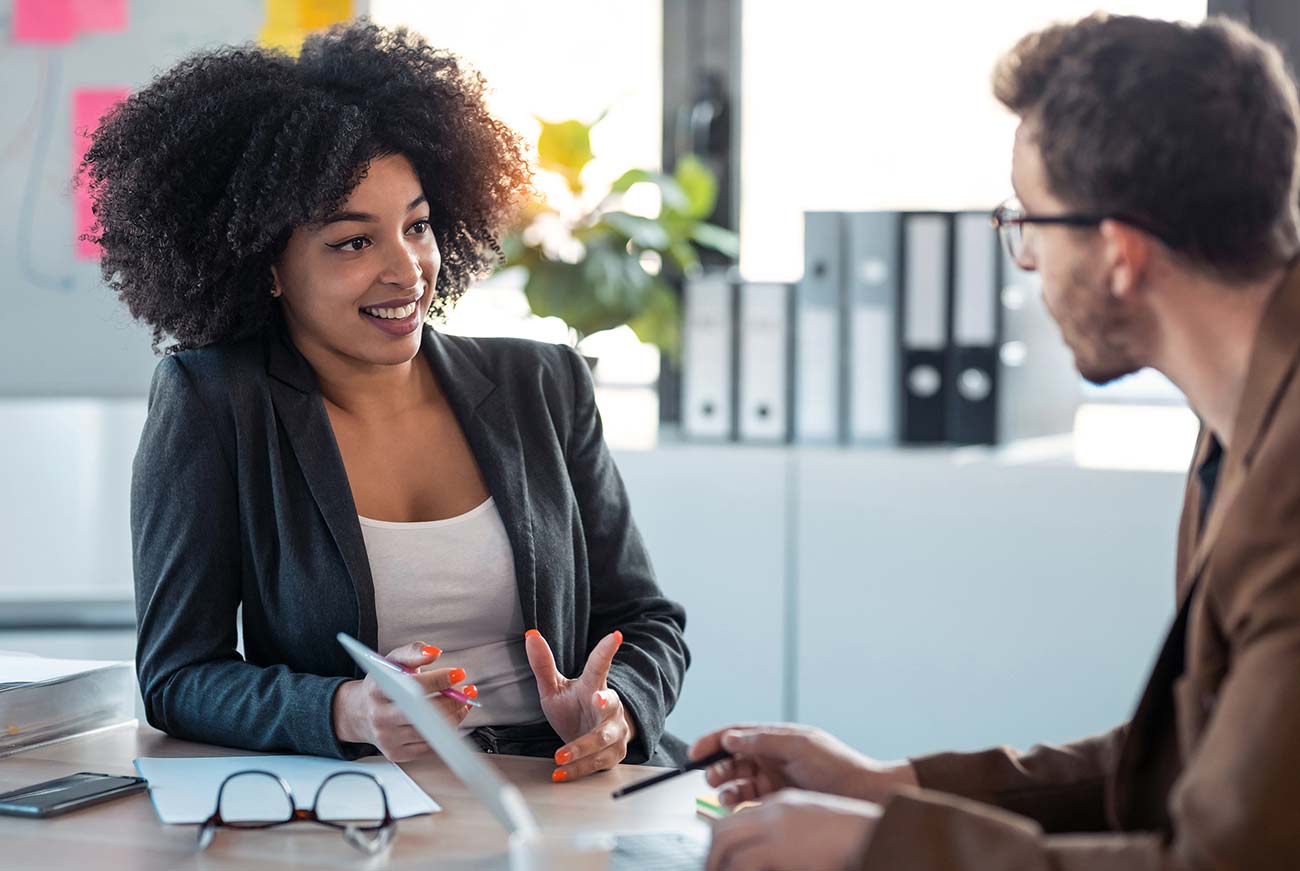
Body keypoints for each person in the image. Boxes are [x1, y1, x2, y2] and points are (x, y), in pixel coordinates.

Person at [694, 13, 1300, 870]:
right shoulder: (1238, 419)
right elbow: (1200, 763)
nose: (1025, 265)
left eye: (1030, 223)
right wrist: (889, 785)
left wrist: (884, 847)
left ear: (1121, 254)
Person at [85, 21, 689, 779]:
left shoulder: (543, 385)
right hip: (366, 799)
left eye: (418, 226)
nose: (407, 271)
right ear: (267, 266)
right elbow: (177, 677)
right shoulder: (215, 403)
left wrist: (615, 709)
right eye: (353, 242)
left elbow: (645, 620)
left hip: (569, 788)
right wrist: (350, 709)